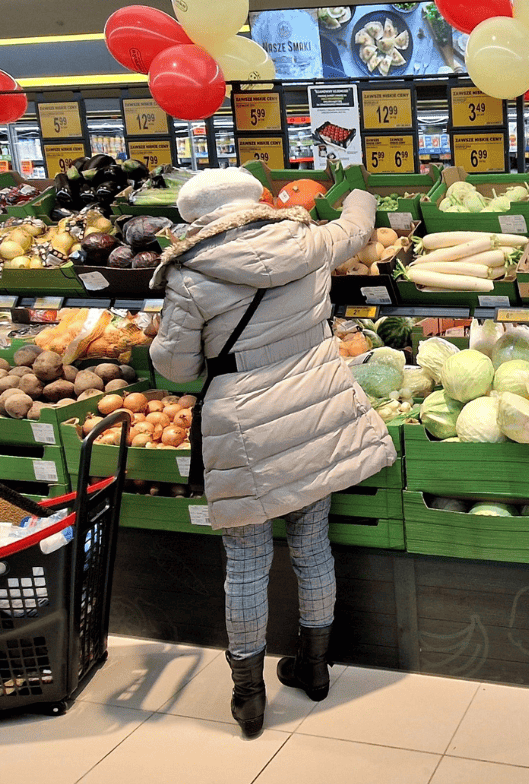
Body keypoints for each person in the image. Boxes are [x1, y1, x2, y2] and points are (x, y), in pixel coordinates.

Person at [149, 169, 396, 739]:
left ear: (196, 220)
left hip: (244, 426)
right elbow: (356, 228)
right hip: (317, 409)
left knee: (246, 564)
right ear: (255, 200)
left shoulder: (189, 277)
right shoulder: (307, 240)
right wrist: (359, 188)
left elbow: (178, 368)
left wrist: (159, 340)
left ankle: (249, 696)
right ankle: (315, 667)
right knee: (313, 546)